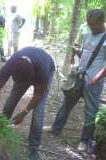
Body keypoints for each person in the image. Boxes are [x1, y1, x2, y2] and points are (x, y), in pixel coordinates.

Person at [52, 9, 106, 154]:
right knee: (67, 103)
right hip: (79, 77)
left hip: (93, 82)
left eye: (93, 25)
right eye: (89, 24)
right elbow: (88, 54)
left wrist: (97, 77)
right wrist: (77, 52)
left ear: (101, 22)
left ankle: (84, 140)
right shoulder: (88, 33)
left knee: (90, 111)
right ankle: (56, 128)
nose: (91, 28)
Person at [0, 47, 55, 159]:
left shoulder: (42, 72)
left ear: (32, 76)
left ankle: (34, 146)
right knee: (12, 99)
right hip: (25, 72)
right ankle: (1, 130)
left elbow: (38, 95)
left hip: (48, 67)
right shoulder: (11, 64)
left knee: (38, 111)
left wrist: (24, 112)